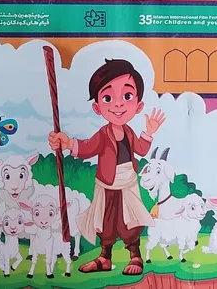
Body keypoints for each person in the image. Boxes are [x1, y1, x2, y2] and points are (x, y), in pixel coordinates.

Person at [48, 58, 165, 275]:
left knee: (130, 219)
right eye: (108, 98)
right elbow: (86, 147)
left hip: (128, 183)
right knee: (105, 221)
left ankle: (135, 256)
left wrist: (149, 132)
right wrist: (67, 143)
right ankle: (105, 258)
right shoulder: (103, 134)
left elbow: (141, 149)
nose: (118, 104)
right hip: (107, 184)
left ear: (138, 105)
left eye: (127, 96)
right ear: (97, 107)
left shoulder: (129, 132)